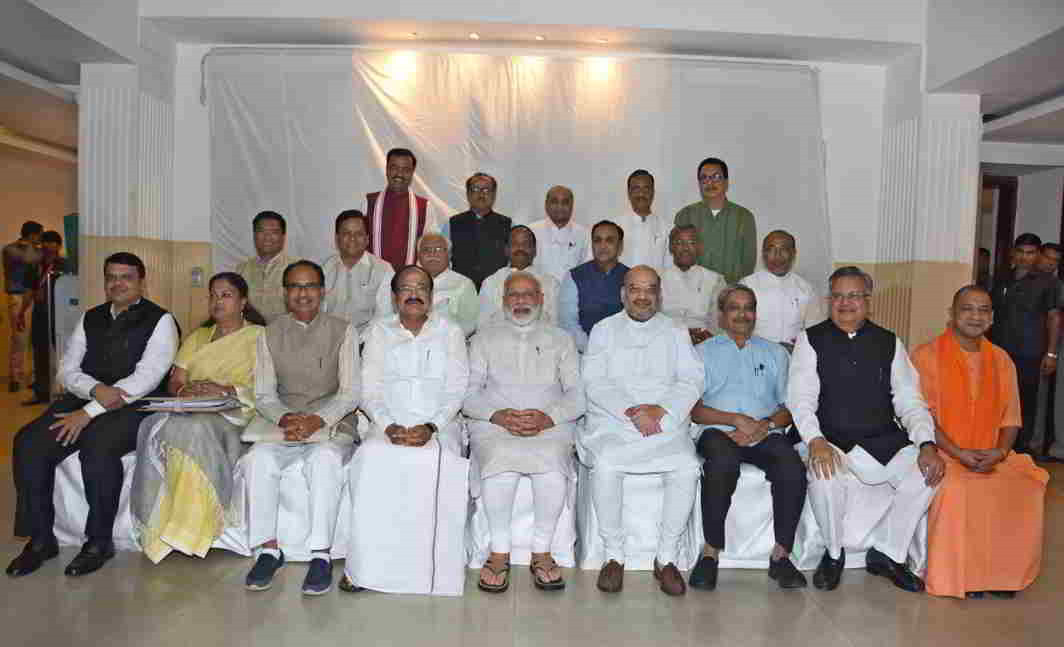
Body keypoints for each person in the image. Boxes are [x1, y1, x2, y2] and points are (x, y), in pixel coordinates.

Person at [7, 252, 178, 578]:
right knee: (29, 442)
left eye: (126, 277)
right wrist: (94, 391)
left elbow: (146, 379)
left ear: (142, 281)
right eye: (111, 277)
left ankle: (99, 542)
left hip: (135, 406)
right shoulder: (91, 316)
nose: (118, 283)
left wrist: (88, 413)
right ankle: (42, 539)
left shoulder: (161, 320)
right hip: (88, 397)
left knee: (98, 446)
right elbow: (67, 370)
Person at [787, 266, 943, 593]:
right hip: (830, 438)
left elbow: (909, 400)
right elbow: (801, 399)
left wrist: (926, 442)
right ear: (829, 300)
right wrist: (815, 440)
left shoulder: (889, 341)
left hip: (881, 438)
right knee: (824, 475)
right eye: (838, 296)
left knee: (926, 474)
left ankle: (888, 553)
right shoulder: (810, 339)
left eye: (854, 295)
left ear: (867, 301)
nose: (845, 303)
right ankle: (833, 554)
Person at [912, 285, 1049, 599]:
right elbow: (923, 417)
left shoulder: (1001, 359)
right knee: (958, 489)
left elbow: (1011, 418)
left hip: (990, 453)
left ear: (992, 317)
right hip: (943, 452)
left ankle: (1002, 576)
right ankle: (967, 577)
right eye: (967, 309)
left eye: (983, 310)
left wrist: (1000, 452)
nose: (975, 316)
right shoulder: (926, 355)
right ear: (952, 314)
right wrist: (958, 452)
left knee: (1026, 487)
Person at [342, 265, 470, 596]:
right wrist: (388, 426)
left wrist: (432, 426)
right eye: (406, 288)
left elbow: (457, 389)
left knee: (440, 461)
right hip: (388, 424)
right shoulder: (378, 332)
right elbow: (369, 390)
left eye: (421, 288)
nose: (413, 294)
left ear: (431, 296)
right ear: (394, 296)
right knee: (370, 460)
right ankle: (364, 569)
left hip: (439, 426)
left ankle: (435, 571)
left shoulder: (450, 331)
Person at [580, 265, 705, 596]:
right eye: (635, 289)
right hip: (614, 422)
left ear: (659, 296)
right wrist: (633, 412)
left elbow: (692, 379)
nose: (642, 296)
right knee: (606, 465)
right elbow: (595, 381)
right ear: (623, 293)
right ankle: (613, 555)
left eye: (650, 290)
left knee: (688, 466)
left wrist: (661, 411)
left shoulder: (676, 330)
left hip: (664, 421)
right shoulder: (603, 330)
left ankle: (665, 557)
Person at [240, 260, 360, 596]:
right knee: (257, 460)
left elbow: (350, 392)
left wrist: (317, 420)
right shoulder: (270, 333)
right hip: (284, 422)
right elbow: (263, 393)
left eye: (309, 287)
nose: (302, 294)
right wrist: (285, 418)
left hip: (331, 423)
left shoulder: (343, 330)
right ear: (285, 293)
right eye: (294, 286)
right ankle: (268, 550)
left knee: (323, 461)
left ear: (322, 292)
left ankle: (320, 554)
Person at [130, 273, 266, 563]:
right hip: (192, 407)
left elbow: (267, 387)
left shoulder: (260, 337)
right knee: (151, 424)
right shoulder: (198, 336)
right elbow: (176, 379)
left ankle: (189, 528)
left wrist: (225, 389)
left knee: (194, 428)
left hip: (234, 411)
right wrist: (184, 391)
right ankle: (161, 524)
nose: (217, 301)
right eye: (213, 295)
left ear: (243, 301)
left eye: (226, 295)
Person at [465, 271, 585, 593]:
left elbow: (576, 395)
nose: (521, 301)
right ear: (503, 301)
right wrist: (497, 416)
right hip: (495, 425)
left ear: (541, 299)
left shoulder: (561, 339)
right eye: (513, 295)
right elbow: (469, 393)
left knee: (551, 463)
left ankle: (542, 551)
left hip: (548, 425)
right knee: (500, 458)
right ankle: (499, 552)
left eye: (528, 294)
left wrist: (549, 417)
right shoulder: (483, 338)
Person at [688, 285, 807, 591]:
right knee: (722, 462)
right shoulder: (701, 353)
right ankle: (710, 554)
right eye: (734, 308)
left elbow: (789, 408)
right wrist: (734, 420)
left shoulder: (776, 353)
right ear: (722, 315)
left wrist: (763, 425)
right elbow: (695, 409)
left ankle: (781, 557)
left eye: (748, 307)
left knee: (791, 466)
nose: (742, 314)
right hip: (717, 431)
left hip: (764, 432)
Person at [989, 233, 1060, 454]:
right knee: (996, 400)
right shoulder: (1002, 278)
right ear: (1013, 252)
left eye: (1030, 253)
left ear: (1037, 255)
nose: (1024, 257)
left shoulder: (1048, 283)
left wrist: (1051, 354)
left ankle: (1019, 452)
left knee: (1023, 404)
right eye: (1020, 251)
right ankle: (995, 446)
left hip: (1030, 353)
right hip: (998, 351)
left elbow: (1054, 317)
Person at [674, 157, 756, 284]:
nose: (710, 182)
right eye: (704, 178)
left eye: (716, 177)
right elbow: (678, 257)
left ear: (726, 182)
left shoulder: (744, 217)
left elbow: (748, 262)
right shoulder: (685, 215)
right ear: (699, 183)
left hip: (730, 294)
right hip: (692, 292)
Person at [741, 230, 825, 351]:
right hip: (753, 356)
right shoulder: (746, 286)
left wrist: (798, 348)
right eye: (771, 249)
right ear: (763, 254)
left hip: (794, 358)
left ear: (793, 253)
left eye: (784, 249)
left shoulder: (806, 289)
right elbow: (737, 330)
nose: (777, 255)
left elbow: (816, 332)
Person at [320, 210, 394, 335]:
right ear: (337, 239)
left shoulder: (384, 270)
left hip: (368, 342)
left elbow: (384, 318)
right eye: (346, 233)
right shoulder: (325, 269)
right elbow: (320, 312)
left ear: (367, 239)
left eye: (359, 234)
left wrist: (356, 344)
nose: (352, 238)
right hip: (331, 341)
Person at [560, 221, 628, 352]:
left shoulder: (631, 277)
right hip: (584, 353)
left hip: (624, 352)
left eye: (609, 240)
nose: (603, 246)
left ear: (620, 246)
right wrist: (591, 349)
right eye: (597, 240)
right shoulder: (574, 276)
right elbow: (567, 322)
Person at [365, 147, 436, 270]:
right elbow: (360, 245)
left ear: (412, 173)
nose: (399, 174)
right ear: (387, 169)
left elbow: (429, 248)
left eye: (406, 169)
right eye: (394, 168)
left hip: (409, 281)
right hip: (373, 280)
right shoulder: (369, 202)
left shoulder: (425, 207)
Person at [479, 225, 561, 328]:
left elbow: (556, 324)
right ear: (506, 250)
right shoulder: (490, 283)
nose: (520, 248)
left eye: (526, 244)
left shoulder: (551, 283)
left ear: (535, 250)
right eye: (515, 244)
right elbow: (482, 324)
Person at [440, 172, 512, 290]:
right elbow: (443, 260)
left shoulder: (508, 225)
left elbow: (512, 262)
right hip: (460, 290)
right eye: (475, 189)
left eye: (486, 190)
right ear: (468, 194)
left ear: (494, 195)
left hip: (497, 290)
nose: (481, 194)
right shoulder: (451, 224)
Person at [660, 224, 725, 346]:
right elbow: (654, 320)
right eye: (679, 242)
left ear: (700, 247)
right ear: (671, 247)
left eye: (691, 242)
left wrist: (704, 338)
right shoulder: (657, 279)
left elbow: (718, 323)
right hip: (666, 342)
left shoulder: (716, 280)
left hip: (705, 343)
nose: (685, 248)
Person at [24, 230, 67, 405]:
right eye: (47, 242)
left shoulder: (66, 265)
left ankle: (66, 392)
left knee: (64, 351)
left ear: (59, 245)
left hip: (61, 312)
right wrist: (21, 313)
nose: (50, 246)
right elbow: (29, 291)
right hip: (40, 313)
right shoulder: (35, 265)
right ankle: (40, 393)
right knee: (40, 352)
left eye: (54, 242)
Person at [3, 220, 43, 392]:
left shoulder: (36, 250)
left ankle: (34, 377)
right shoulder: (10, 249)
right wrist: (31, 246)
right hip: (18, 297)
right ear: (32, 234)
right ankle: (16, 378)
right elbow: (29, 259)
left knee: (36, 338)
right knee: (20, 339)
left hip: (35, 297)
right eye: (40, 235)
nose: (41, 239)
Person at [235, 211, 294, 323]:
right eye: (261, 231)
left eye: (274, 232)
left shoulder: (297, 269)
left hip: (286, 335)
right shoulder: (241, 270)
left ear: (283, 237)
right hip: (250, 336)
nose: (267, 237)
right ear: (254, 235)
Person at [417, 233, 479, 337]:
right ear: (418, 255)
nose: (432, 254)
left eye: (438, 249)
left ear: (449, 254)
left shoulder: (463, 283)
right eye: (426, 250)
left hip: (448, 345)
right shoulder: (407, 281)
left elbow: (470, 324)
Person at [527, 186, 590, 284]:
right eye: (554, 202)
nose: (559, 207)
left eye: (565, 202)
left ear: (572, 206)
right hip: (537, 293)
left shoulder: (585, 235)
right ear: (546, 204)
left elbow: (587, 270)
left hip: (572, 295)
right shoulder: (530, 231)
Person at [616, 170, 669, 272]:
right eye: (636, 188)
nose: (641, 194)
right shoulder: (615, 227)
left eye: (646, 188)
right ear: (629, 192)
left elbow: (669, 268)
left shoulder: (667, 228)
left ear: (653, 192)